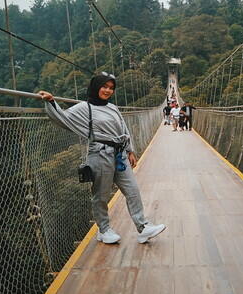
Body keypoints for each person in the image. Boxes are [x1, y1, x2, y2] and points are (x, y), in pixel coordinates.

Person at [37, 72, 166, 244]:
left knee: (132, 190)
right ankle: (104, 230)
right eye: (104, 87)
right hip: (100, 154)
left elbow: (123, 128)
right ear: (95, 87)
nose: (107, 91)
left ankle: (143, 227)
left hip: (120, 155)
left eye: (111, 88)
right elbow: (63, 118)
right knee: (101, 195)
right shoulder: (84, 107)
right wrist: (52, 102)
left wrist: (130, 150)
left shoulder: (112, 107)